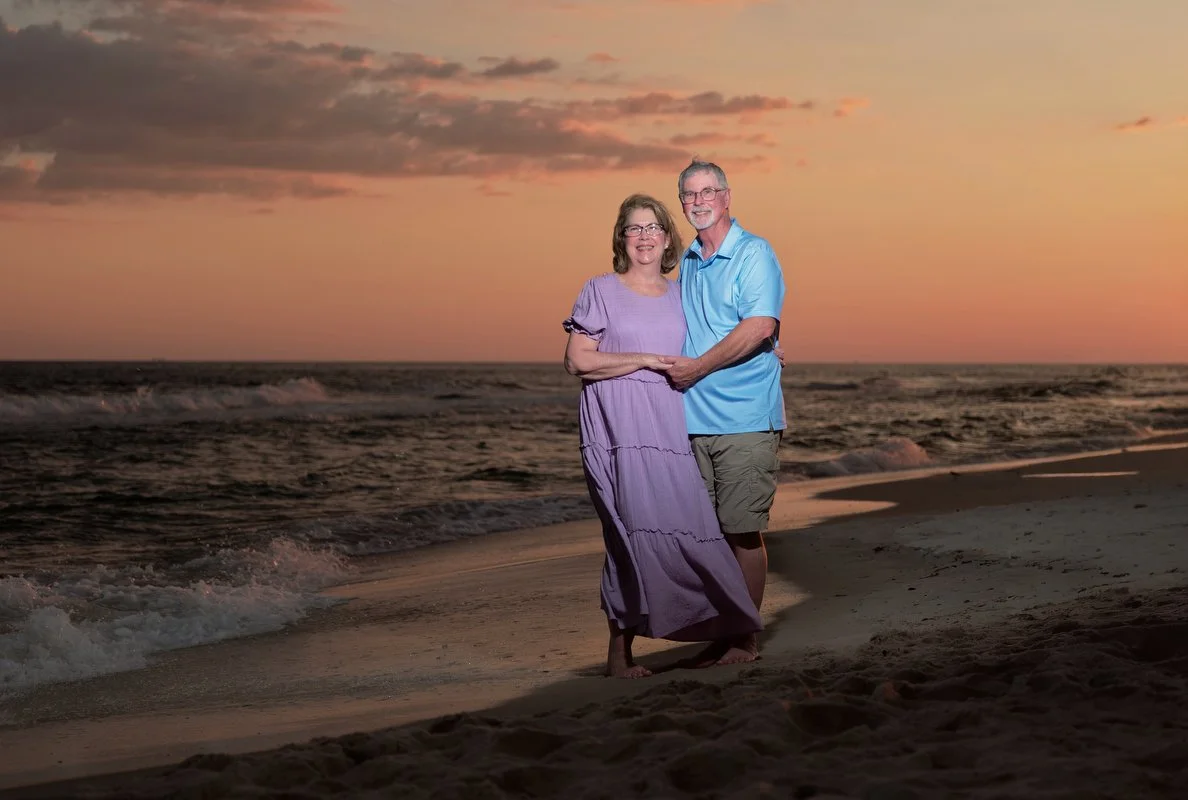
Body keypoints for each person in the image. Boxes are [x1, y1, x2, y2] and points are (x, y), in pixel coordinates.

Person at [563, 193, 763, 679]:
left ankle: (729, 629)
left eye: (654, 227)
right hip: (617, 430)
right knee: (628, 535)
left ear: (669, 238)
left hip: (670, 425)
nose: (645, 235)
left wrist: (766, 348)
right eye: (635, 228)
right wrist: (646, 359)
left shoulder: (683, 294)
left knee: (693, 530)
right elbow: (578, 360)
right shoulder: (600, 289)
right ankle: (620, 654)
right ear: (621, 238)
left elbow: (722, 335)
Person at [666, 160, 787, 664]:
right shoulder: (689, 261)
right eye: (689, 194)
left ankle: (744, 637)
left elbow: (758, 324)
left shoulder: (754, 253)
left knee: (741, 529)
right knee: (708, 534)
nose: (698, 201)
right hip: (693, 421)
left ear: (727, 195)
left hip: (744, 420)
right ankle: (723, 628)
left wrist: (697, 368)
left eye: (707, 191)